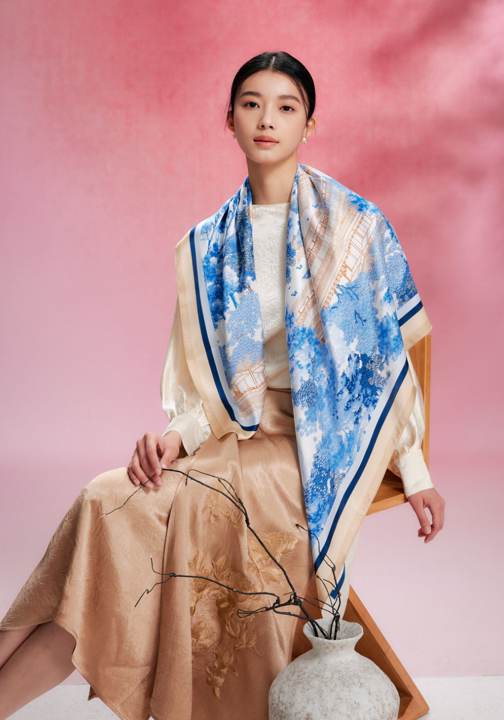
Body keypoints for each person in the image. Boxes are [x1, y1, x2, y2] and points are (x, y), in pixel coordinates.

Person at [0, 51, 445, 720]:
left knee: (125, 524)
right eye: (251, 104)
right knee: (104, 502)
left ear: (309, 125)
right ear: (229, 119)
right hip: (233, 435)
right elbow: (214, 391)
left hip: (320, 448)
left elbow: (382, 369)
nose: (267, 119)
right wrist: (173, 437)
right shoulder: (209, 245)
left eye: (286, 107)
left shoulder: (353, 226)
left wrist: (415, 472)